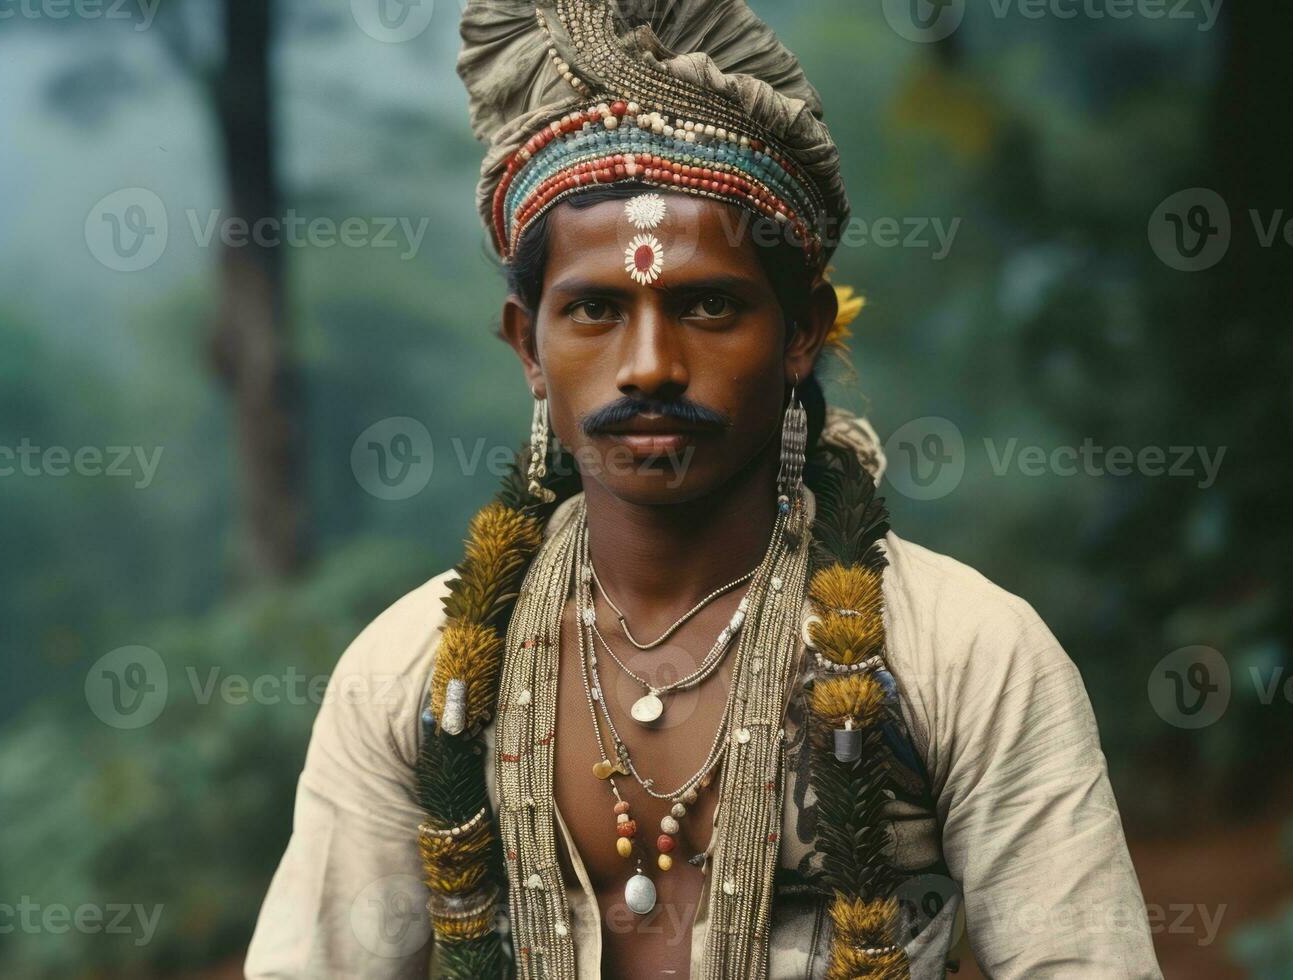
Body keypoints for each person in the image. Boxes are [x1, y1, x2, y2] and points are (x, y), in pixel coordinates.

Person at [246, 1, 1163, 977]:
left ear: (801, 330)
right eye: (595, 309)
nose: (647, 365)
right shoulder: (418, 676)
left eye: (707, 304)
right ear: (527, 345)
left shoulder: (965, 654)